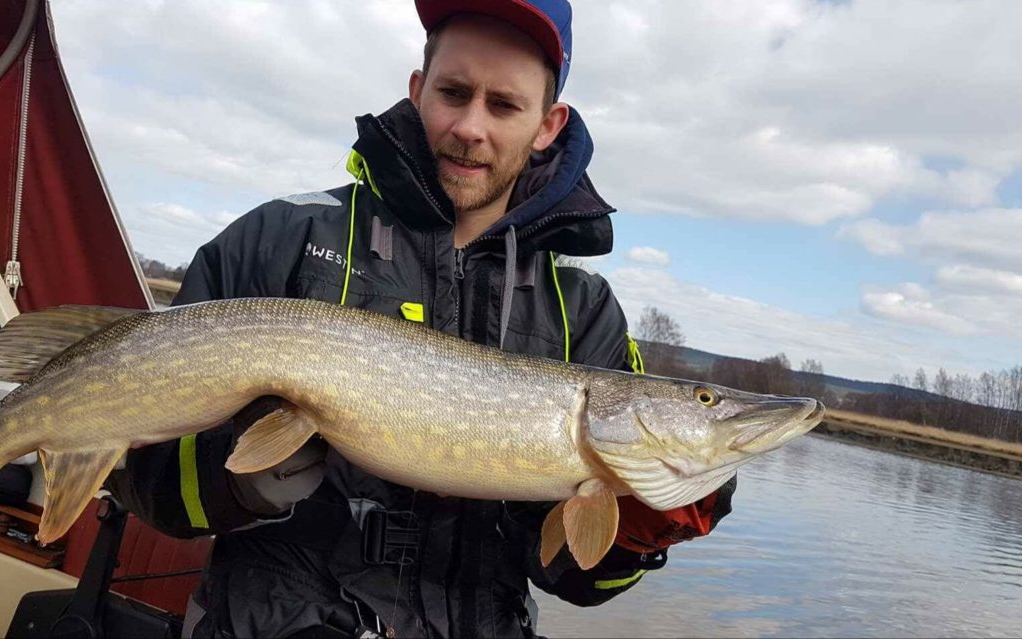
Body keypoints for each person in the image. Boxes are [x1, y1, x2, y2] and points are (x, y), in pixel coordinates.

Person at [108, 1, 735, 637]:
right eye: (454, 93)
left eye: (503, 106)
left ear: (548, 125)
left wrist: (645, 524)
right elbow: (144, 481)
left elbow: (574, 578)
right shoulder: (284, 238)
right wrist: (245, 480)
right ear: (417, 91)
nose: (470, 126)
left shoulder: (583, 308)